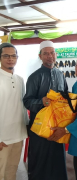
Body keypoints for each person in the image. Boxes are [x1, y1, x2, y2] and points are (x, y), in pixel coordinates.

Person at [23, 40, 68, 180]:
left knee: (57, 160)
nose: (50, 56)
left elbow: (65, 96)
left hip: (57, 126)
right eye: (46, 53)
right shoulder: (34, 77)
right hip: (40, 128)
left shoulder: (60, 75)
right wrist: (40, 102)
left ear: (56, 55)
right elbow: (27, 101)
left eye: (52, 53)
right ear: (40, 56)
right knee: (40, 161)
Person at [0, 43, 28, 180]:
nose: (10, 59)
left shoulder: (20, 80)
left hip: (18, 135)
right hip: (2, 138)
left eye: (13, 56)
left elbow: (22, 106)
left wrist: (26, 127)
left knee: (12, 172)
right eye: (6, 56)